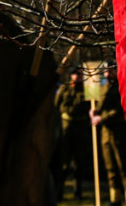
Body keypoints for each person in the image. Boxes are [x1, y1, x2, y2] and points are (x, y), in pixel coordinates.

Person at [89, 66, 126, 206]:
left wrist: (101, 118)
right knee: (110, 167)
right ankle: (115, 198)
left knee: (123, 166)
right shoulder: (103, 89)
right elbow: (99, 105)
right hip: (106, 134)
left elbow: (120, 110)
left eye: (110, 71)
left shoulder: (122, 88)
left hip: (119, 132)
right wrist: (94, 111)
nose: (108, 74)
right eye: (106, 71)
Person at [56, 66, 91, 200]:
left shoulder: (88, 90)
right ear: (71, 75)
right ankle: (60, 191)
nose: (78, 76)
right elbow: (57, 104)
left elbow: (91, 105)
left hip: (81, 129)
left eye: (80, 74)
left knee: (79, 163)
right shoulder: (64, 88)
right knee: (64, 163)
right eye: (76, 74)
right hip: (67, 128)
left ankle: (78, 191)